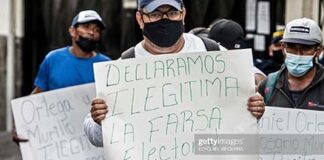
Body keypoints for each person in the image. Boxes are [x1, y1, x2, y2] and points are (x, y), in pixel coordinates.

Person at [84, 0, 265, 147]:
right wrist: (99, 121)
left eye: (172, 13)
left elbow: (244, 119)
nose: (165, 20)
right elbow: (96, 138)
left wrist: (254, 110)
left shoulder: (213, 53)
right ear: (140, 19)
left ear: (183, 14)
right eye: (155, 14)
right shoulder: (124, 67)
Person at [12, 10, 111, 144]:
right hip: (59, 143)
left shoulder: (106, 65)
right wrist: (20, 124)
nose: (92, 33)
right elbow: (37, 96)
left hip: (92, 145)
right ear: (72, 31)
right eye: (86, 27)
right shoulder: (53, 59)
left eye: (97, 29)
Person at [259, 18, 324, 110]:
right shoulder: (268, 85)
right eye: (292, 47)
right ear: (283, 48)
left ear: (318, 51)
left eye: (305, 48)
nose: (298, 54)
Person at [207, 18, 267, 85]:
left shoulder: (253, 75)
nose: (217, 58)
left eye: (224, 52)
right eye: (213, 51)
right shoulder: (202, 69)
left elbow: (260, 79)